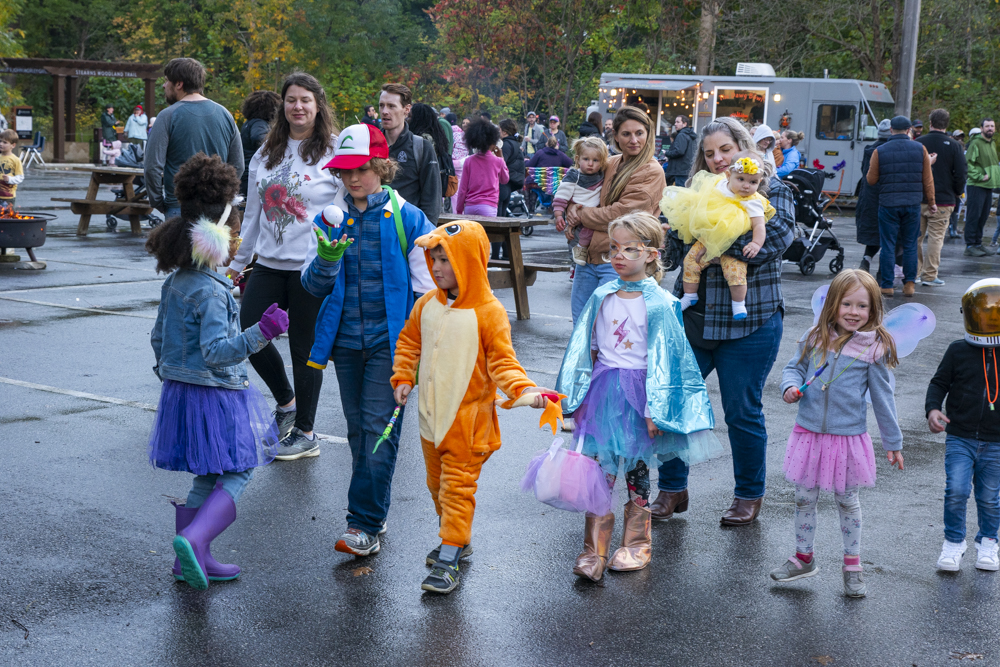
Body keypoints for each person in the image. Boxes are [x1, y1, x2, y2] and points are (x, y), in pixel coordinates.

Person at [145, 153, 287, 591]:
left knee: (208, 473)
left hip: (181, 391)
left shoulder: (178, 282)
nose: (235, 236)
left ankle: (190, 559)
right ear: (214, 235)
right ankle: (196, 536)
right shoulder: (209, 291)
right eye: (233, 230)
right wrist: (261, 332)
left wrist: (174, 375)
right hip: (216, 393)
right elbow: (217, 352)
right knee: (241, 468)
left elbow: (157, 340)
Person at [556, 212, 721, 581]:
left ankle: (636, 544)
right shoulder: (602, 294)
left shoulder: (662, 303)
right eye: (614, 247)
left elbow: (666, 361)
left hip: (640, 396)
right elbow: (589, 348)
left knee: (637, 470)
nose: (619, 255)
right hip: (603, 392)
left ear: (651, 253)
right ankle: (592, 550)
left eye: (630, 248)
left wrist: (654, 411)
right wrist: (578, 396)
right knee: (599, 471)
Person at [391, 220, 552, 593]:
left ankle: (448, 559)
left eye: (446, 260)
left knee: (456, 491)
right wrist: (402, 377)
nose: (437, 268)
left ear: (469, 260)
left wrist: (523, 390)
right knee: (437, 487)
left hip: (468, 425)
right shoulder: (426, 304)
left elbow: (503, 362)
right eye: (433, 260)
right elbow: (409, 343)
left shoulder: (489, 312)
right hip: (430, 422)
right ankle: (458, 539)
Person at [651, 117, 795, 526]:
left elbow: (780, 239)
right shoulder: (698, 190)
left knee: (741, 412)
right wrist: (664, 239)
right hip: (694, 314)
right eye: (710, 153)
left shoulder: (772, 187)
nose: (717, 159)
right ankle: (672, 488)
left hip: (750, 320)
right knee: (674, 401)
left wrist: (711, 241)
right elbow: (678, 253)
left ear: (743, 148)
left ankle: (749, 494)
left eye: (725, 151)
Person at [301, 123, 436, 557]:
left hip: (390, 347)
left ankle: (363, 524)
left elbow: (428, 291)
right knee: (360, 432)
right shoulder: (326, 217)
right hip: (343, 344)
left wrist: (418, 352)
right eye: (344, 171)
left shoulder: (409, 218)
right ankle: (371, 518)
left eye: (360, 169)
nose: (352, 179)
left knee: (379, 430)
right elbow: (312, 287)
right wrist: (326, 259)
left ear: (380, 165)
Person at [225, 72, 341, 459]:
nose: (298, 107)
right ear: (283, 106)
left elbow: (346, 210)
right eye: (291, 100)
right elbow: (254, 214)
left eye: (305, 100)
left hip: (311, 269)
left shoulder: (334, 151)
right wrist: (238, 264)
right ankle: (286, 403)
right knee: (248, 330)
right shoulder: (265, 152)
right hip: (270, 265)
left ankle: (306, 433)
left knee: (304, 348)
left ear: (318, 104)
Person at [770, 270, 902, 598]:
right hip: (809, 434)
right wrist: (789, 388)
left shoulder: (874, 349)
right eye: (847, 304)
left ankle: (853, 565)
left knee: (847, 500)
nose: (854, 312)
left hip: (847, 439)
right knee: (804, 496)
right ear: (833, 304)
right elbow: (793, 368)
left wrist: (893, 442)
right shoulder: (815, 337)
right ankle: (803, 558)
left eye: (863, 306)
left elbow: (884, 399)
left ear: (873, 311)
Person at [564, 106, 665, 324]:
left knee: (610, 330)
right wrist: (571, 205)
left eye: (639, 133)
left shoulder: (651, 170)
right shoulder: (611, 162)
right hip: (589, 258)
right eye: (626, 134)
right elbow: (583, 189)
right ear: (616, 136)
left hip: (621, 261)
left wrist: (581, 214)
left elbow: (622, 217)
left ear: (648, 134)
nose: (634, 140)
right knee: (582, 328)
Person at [927, 279, 1000, 572]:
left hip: (996, 441)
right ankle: (954, 543)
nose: (985, 321)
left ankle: (989, 543)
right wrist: (933, 409)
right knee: (956, 491)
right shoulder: (958, 350)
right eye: (979, 314)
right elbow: (939, 382)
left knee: (990, 497)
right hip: (960, 437)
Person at [663, 151, 775, 320]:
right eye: (741, 179)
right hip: (708, 236)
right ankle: (690, 295)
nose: (746, 186)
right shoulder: (718, 185)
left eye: (753, 182)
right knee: (691, 261)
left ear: (759, 182)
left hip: (733, 239)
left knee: (735, 270)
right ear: (729, 175)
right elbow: (701, 201)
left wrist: (756, 244)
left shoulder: (753, 201)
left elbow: (759, 225)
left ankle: (738, 303)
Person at [145, 58, 244, 220]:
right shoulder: (225, 114)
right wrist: (223, 195)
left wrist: (158, 202)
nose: (164, 86)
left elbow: (152, 167)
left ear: (179, 84)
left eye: (166, 81)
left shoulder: (167, 116)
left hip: (179, 207)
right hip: (217, 208)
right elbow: (238, 165)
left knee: (181, 246)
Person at [865, 116, 936, 297]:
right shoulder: (920, 149)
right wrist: (932, 202)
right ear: (909, 130)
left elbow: (871, 180)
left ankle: (887, 285)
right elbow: (928, 180)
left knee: (887, 244)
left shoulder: (879, 151)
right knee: (911, 244)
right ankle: (909, 284)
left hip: (888, 204)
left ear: (891, 130)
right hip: (912, 204)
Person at [916, 108, 967, 286]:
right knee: (936, 238)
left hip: (919, 197)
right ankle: (929, 275)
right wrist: (957, 191)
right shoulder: (954, 146)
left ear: (930, 123)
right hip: (944, 198)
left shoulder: (918, 142)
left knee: (916, 237)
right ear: (947, 124)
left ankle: (914, 271)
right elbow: (961, 173)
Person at [379, 83, 442, 224]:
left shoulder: (422, 147)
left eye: (391, 106)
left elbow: (432, 199)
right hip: (374, 230)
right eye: (381, 105)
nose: (384, 111)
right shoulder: (370, 144)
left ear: (407, 109)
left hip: (409, 231)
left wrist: (425, 236)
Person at [554, 136, 607, 265]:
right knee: (573, 239)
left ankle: (578, 261)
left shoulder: (602, 175)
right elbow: (562, 195)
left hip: (592, 216)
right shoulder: (574, 175)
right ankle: (574, 267)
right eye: (586, 159)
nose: (590, 163)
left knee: (584, 242)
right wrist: (558, 215)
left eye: (595, 160)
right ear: (577, 159)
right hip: (576, 216)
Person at [856, 119, 891, 272]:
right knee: (889, 235)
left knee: (873, 232)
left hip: (869, 196)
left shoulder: (869, 149)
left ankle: (866, 259)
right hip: (885, 196)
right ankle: (883, 272)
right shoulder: (890, 150)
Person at [454, 118, 508, 216]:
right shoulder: (498, 161)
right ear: (493, 142)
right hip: (489, 206)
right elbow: (505, 179)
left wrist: (459, 209)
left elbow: (462, 189)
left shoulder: (468, 161)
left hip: (470, 206)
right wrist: (501, 157)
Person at [962, 119, 999, 256]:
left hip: (988, 186)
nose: (990, 128)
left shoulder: (992, 143)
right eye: (987, 126)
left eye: (992, 126)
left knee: (983, 216)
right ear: (981, 128)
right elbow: (968, 163)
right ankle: (970, 245)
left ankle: (978, 243)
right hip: (977, 185)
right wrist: (979, 176)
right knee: (974, 215)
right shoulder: (976, 143)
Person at [408, 103, 456, 206]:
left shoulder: (423, 139)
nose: (407, 119)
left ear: (418, 119)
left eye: (410, 116)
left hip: (424, 195)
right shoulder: (434, 136)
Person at [237, 90, 281, 198]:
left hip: (246, 176)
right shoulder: (259, 123)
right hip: (252, 177)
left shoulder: (249, 123)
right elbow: (258, 137)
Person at [498, 118, 525, 217]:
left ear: (504, 132)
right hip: (509, 184)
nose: (498, 132)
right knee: (503, 213)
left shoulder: (506, 145)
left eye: (499, 130)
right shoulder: (514, 143)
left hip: (503, 184)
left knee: (498, 215)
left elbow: (501, 162)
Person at [664, 115, 698, 186]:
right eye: (675, 122)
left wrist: (667, 153)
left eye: (678, 122)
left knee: (679, 192)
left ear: (685, 124)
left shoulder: (681, 135)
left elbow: (679, 151)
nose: (675, 124)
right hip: (687, 170)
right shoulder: (691, 136)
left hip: (680, 171)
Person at [0, 129, 25, 208]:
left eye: (5, 142)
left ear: (13, 145)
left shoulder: (16, 160)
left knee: (7, 218)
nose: (1, 144)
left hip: (8, 197)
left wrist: (9, 179)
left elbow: (20, 177)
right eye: (0, 141)